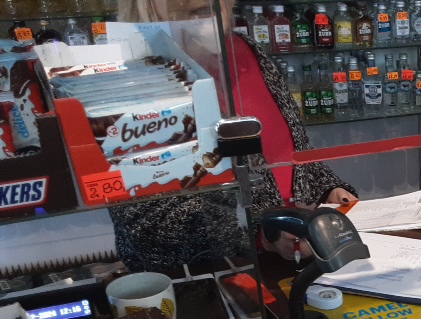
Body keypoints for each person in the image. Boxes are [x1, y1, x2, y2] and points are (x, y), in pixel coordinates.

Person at [109, 1, 357, 271]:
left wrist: (328, 190)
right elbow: (148, 222)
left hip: (299, 255)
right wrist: (261, 234)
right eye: (193, 11)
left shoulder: (245, 49)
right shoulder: (127, 75)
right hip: (210, 276)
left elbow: (293, 150)